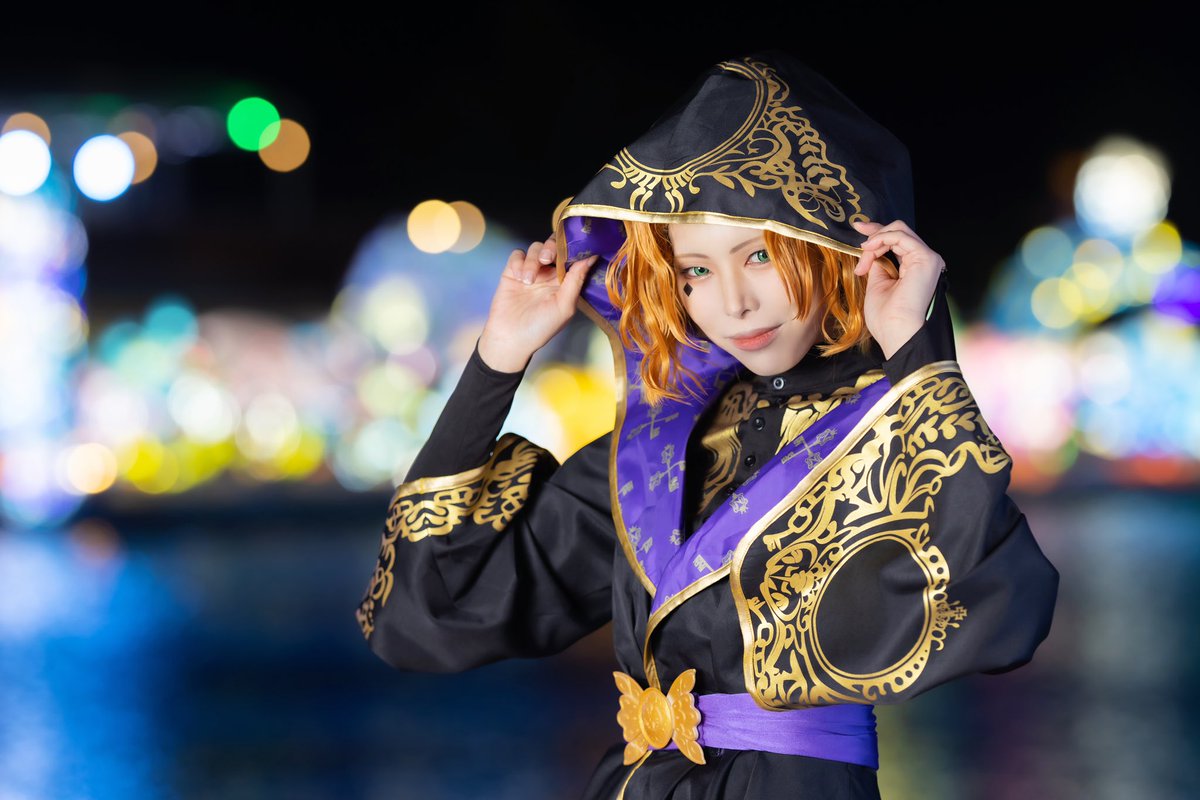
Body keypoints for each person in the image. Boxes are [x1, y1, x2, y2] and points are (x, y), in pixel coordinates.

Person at [355, 50, 1060, 799]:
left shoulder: (887, 431)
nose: (733, 303)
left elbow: (1000, 602)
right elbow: (423, 614)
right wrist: (497, 360)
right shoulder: (659, 452)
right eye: (695, 270)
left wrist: (916, 349)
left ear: (836, 248)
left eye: (758, 256)